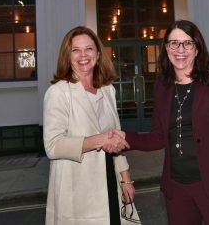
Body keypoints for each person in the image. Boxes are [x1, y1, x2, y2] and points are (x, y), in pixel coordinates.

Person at [120, 20, 209, 225]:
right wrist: (124, 137)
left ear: (197, 49)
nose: (180, 49)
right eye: (174, 43)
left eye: (187, 43)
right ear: (166, 48)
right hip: (177, 190)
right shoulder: (162, 87)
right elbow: (158, 138)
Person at [43, 26, 139, 225]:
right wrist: (100, 140)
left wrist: (126, 179)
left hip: (109, 182)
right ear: (67, 56)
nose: (83, 55)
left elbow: (116, 138)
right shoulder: (58, 93)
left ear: (97, 53)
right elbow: (53, 146)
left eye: (88, 49)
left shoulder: (107, 90)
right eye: (75, 50)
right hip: (77, 189)